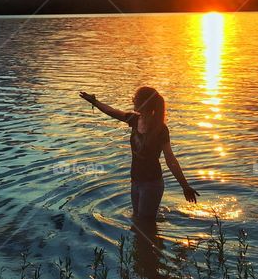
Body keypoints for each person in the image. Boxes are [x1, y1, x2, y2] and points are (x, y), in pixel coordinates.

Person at [79, 87, 198, 220]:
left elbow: (170, 159)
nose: (133, 100)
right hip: (135, 181)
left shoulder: (160, 129)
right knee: (137, 220)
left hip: (152, 183)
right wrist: (94, 101)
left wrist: (185, 186)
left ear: (144, 103)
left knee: (145, 222)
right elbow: (110, 111)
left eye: (136, 98)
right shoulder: (134, 120)